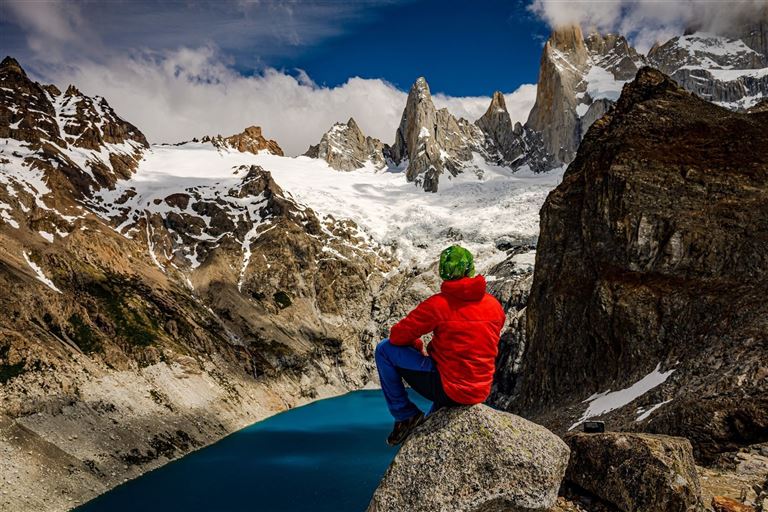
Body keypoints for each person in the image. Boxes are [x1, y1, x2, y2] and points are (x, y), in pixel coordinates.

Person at [375, 245, 506, 446]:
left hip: (449, 389)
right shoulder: (494, 306)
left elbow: (397, 336)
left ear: (443, 272)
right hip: (480, 389)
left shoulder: (438, 305)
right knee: (448, 367)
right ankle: (435, 411)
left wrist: (417, 345)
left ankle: (404, 414)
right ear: (469, 269)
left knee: (384, 350)